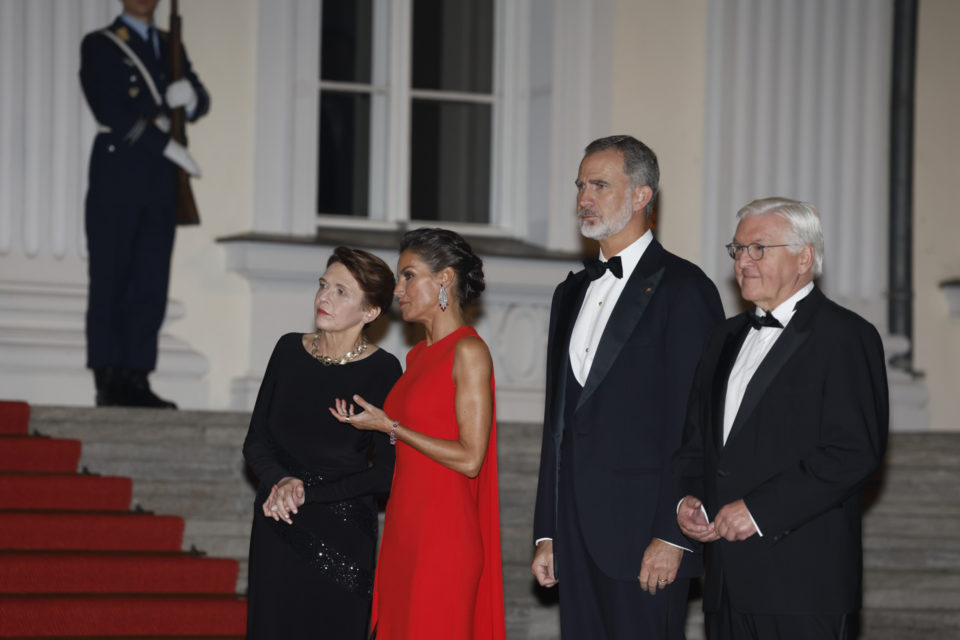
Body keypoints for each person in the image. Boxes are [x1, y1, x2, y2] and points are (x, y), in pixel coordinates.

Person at [530, 135, 724, 639]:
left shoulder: (685, 288)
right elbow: (558, 424)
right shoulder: (569, 293)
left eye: (599, 184)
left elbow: (697, 422)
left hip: (646, 535)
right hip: (574, 535)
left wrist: (673, 535)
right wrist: (548, 531)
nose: (583, 197)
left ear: (642, 195)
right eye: (580, 185)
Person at [674, 198, 889, 640]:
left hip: (804, 587)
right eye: (737, 250)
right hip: (725, 587)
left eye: (758, 249)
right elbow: (698, 443)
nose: (744, 262)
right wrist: (689, 498)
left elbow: (853, 452)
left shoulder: (846, 336)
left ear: (804, 257)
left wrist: (758, 510)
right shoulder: (723, 337)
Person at [330, 228, 506, 639]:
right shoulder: (417, 355)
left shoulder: (469, 351)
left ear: (443, 279)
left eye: (409, 276)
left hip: (444, 536)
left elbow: (470, 457)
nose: (399, 289)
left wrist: (391, 427)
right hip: (405, 528)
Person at [242, 247, 402, 639]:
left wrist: (305, 493)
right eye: (323, 285)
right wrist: (281, 481)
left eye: (341, 291)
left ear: (370, 313)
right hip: (277, 517)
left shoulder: (384, 370)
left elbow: (384, 474)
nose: (323, 297)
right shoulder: (286, 350)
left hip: (342, 533)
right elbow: (255, 441)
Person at [79, 0, 209, 408]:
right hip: (119, 171)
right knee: (111, 277)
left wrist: (190, 100)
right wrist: (165, 143)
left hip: (159, 182)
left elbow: (199, 98)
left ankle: (137, 376)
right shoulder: (101, 44)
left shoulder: (170, 43)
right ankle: (109, 378)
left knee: (150, 281)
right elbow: (109, 108)